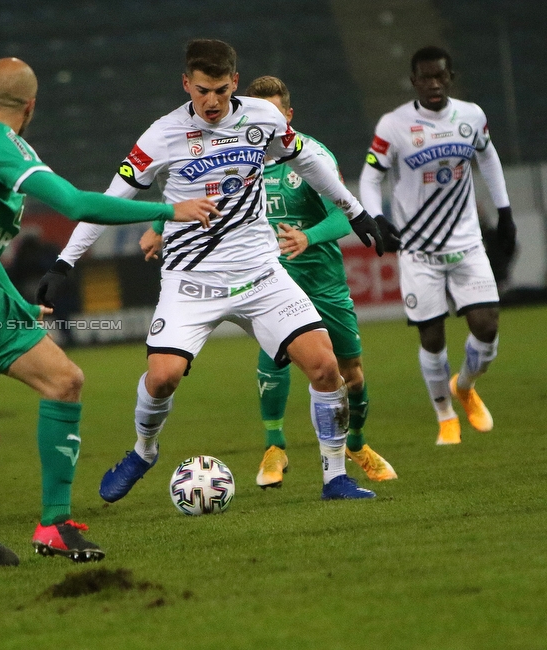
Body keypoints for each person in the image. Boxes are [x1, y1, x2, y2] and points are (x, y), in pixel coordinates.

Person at [0, 57, 218, 569]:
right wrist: (168, 209)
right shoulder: (0, 151)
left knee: (65, 380)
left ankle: (54, 524)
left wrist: (16, 306)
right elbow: (78, 204)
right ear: (31, 107)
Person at [37, 40, 399, 503]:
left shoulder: (264, 118)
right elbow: (112, 197)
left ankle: (334, 478)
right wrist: (65, 262)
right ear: (186, 84)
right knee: (162, 377)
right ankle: (144, 450)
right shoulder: (162, 134)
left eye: (221, 91)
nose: (211, 102)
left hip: (260, 272)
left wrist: (356, 211)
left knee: (327, 367)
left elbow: (307, 159)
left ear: (234, 82)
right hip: (192, 280)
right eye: (202, 90)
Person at [243, 76, 396, 488]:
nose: (266, 123)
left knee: (351, 372)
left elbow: (343, 213)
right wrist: (158, 224)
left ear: (288, 116)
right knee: (272, 359)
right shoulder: (238, 158)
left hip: (324, 282)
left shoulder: (311, 155)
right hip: (273, 281)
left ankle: (357, 444)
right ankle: (274, 447)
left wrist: (307, 236)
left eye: (275, 114)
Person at [359, 46, 515, 445]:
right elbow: (371, 177)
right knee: (432, 337)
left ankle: (465, 385)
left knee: (488, 328)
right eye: (424, 78)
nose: (432, 84)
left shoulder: (471, 115)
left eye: (439, 76)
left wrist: (506, 211)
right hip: (419, 250)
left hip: (466, 244)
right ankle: (446, 414)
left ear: (449, 77)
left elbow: (489, 157)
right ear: (413, 81)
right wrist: (377, 218)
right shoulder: (394, 125)